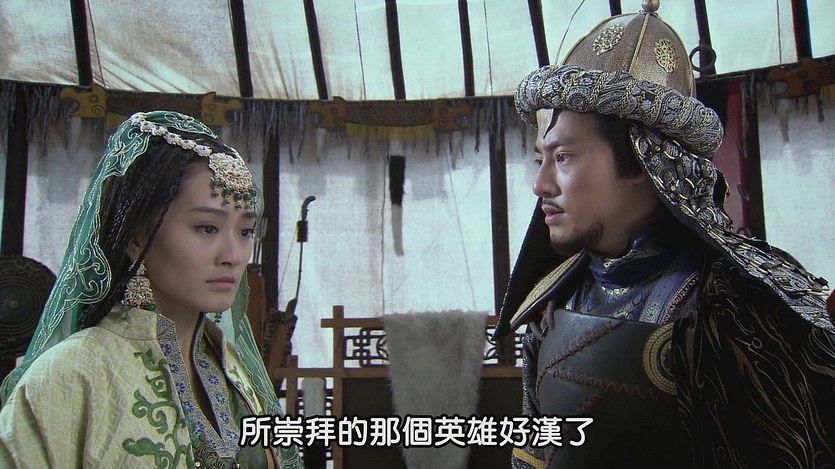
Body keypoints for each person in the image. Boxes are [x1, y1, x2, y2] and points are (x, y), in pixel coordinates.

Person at [492, 2, 835, 468]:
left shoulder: (730, 306)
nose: (541, 185)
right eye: (541, 160)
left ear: (642, 159)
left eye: (564, 157)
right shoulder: (554, 298)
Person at [0, 111, 303, 468]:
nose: (233, 256)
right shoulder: (70, 375)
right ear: (137, 237)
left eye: (246, 231)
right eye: (207, 228)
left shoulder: (235, 369)